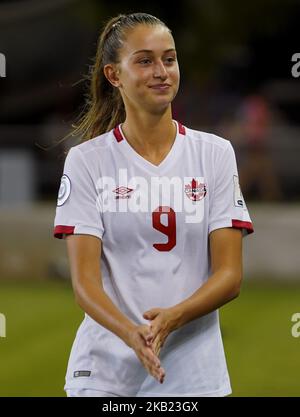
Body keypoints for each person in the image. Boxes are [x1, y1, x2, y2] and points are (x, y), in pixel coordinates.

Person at [53, 12, 254, 397]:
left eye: (169, 58)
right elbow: (85, 285)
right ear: (114, 75)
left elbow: (230, 275)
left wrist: (172, 319)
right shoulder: (87, 161)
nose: (161, 71)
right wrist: (132, 334)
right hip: (105, 374)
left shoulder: (215, 154)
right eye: (145, 60)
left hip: (195, 374)